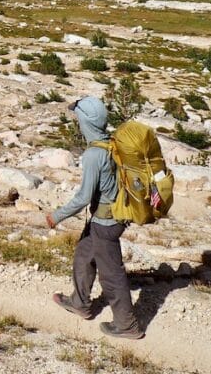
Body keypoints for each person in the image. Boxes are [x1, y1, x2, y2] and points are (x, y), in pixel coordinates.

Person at [46, 96, 143, 340]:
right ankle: (79, 302)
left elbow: (83, 197)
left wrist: (56, 216)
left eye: (78, 118)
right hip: (110, 217)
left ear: (86, 122)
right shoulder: (112, 143)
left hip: (106, 222)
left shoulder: (93, 155)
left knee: (111, 275)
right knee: (83, 255)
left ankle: (127, 325)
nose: (77, 123)